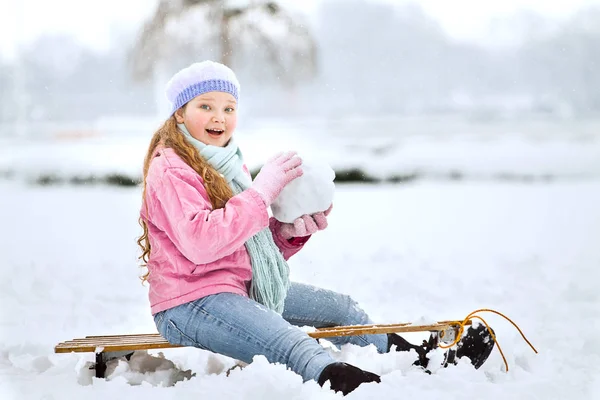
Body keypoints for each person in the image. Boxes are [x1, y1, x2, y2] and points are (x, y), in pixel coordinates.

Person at [137, 60, 495, 395]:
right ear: (180, 114)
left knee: (344, 310)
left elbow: (248, 248)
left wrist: (289, 232)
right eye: (206, 106)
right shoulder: (171, 169)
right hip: (189, 303)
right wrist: (262, 193)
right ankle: (367, 389)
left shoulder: (227, 166)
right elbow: (202, 242)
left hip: (239, 287)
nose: (220, 117)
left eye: (228, 108)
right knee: (291, 343)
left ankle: (419, 359)